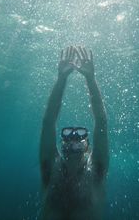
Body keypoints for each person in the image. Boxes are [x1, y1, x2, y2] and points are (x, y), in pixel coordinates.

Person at [39, 46, 109, 220]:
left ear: (88, 147)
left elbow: (101, 122)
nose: (73, 140)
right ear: (61, 145)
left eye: (79, 137)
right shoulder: (50, 169)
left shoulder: (97, 170)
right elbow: (48, 122)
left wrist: (91, 80)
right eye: (68, 138)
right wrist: (61, 79)